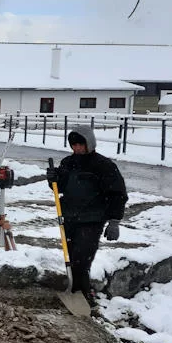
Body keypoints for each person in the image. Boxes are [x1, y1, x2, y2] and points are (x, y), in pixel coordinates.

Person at [45, 124, 128, 311]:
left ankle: (83, 294)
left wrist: (114, 221)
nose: (77, 148)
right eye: (73, 145)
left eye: (80, 144)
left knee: (82, 258)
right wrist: (53, 179)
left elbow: (118, 194)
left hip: (92, 219)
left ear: (89, 143)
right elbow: (61, 187)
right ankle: (76, 290)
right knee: (72, 256)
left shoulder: (104, 166)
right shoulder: (68, 162)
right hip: (70, 217)